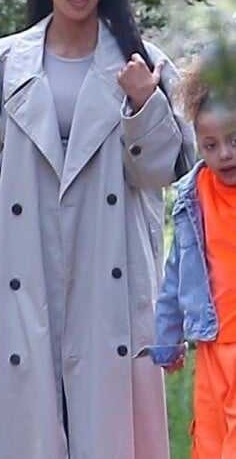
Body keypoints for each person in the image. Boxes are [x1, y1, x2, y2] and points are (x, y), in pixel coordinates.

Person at [0, 0, 195, 459]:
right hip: (15, 262)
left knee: (105, 423)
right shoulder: (4, 62)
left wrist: (146, 104)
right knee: (20, 427)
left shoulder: (143, 62)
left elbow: (162, 174)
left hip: (109, 260)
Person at [146, 43, 236, 459]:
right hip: (214, 345)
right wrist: (167, 336)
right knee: (211, 439)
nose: (225, 154)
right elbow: (177, 273)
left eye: (234, 140)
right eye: (211, 144)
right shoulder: (193, 196)